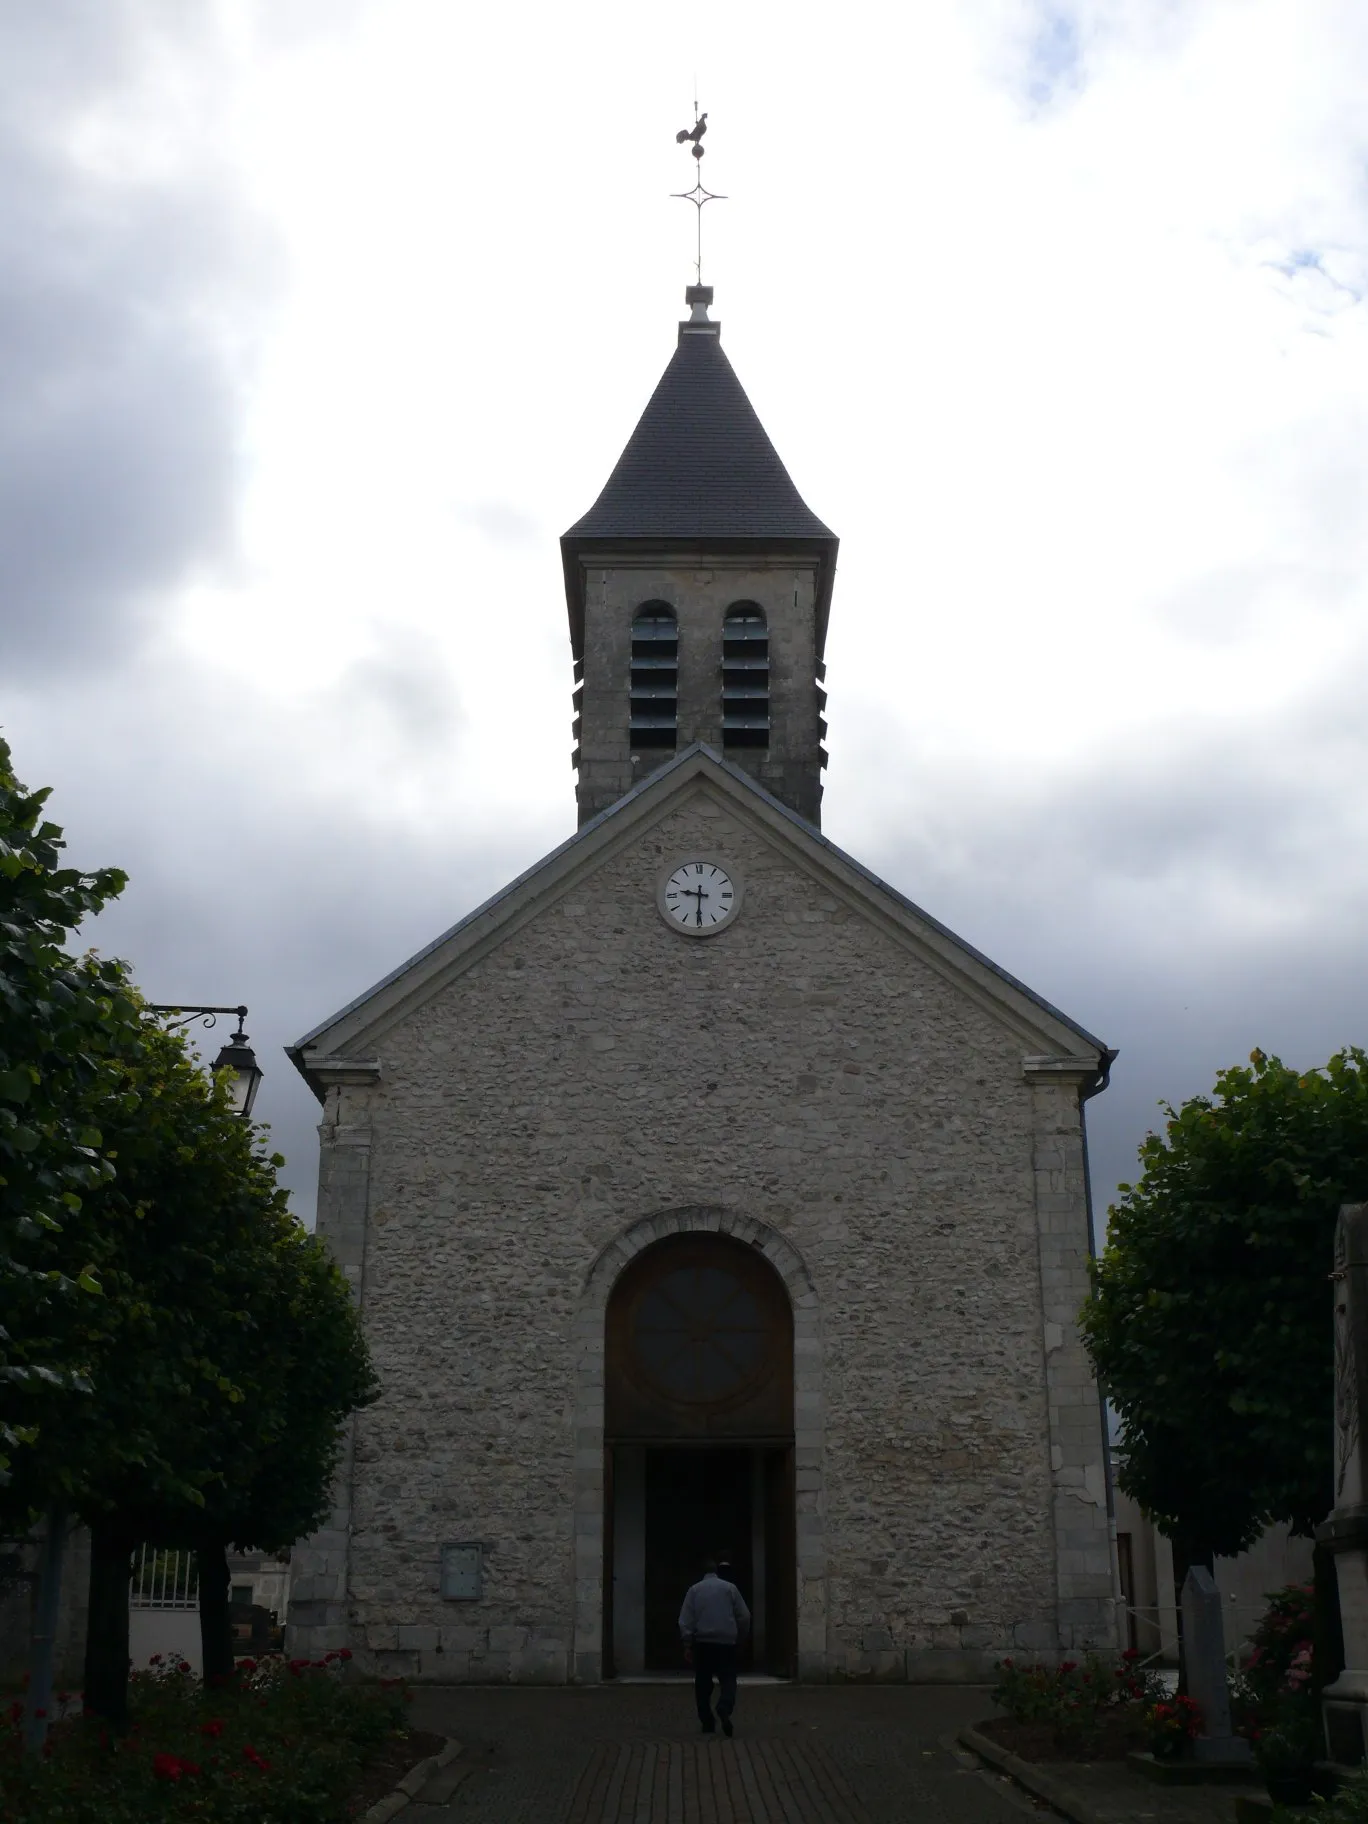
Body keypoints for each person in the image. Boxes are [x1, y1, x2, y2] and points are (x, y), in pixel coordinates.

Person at [679, 1554, 750, 1737]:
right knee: (728, 1678)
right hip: (726, 1641)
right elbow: (744, 1616)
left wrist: (687, 1643)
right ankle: (724, 1706)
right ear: (717, 1572)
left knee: (702, 1682)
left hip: (703, 1642)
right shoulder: (730, 1589)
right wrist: (740, 1636)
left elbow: (686, 1620)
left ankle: (707, 1721)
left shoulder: (694, 1590)